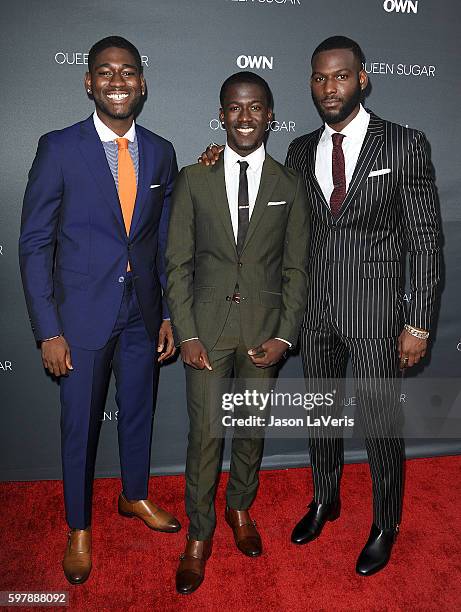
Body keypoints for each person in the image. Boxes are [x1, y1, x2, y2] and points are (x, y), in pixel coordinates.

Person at [199, 36, 440, 576]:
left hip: (378, 315)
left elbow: (425, 239)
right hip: (314, 314)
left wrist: (419, 322)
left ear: (363, 78)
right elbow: (272, 210)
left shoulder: (405, 143)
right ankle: (325, 500)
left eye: (340, 76)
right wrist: (215, 161)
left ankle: (384, 523)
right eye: (319, 78)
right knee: (323, 418)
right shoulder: (301, 150)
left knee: (380, 425)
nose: (329, 87)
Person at [19, 36, 180, 585]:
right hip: (81, 318)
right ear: (88, 82)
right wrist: (48, 330)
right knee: (79, 428)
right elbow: (35, 243)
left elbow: (160, 243)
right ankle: (78, 527)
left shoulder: (161, 151)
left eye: (128, 71)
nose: (118, 80)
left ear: (142, 82)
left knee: (139, 412)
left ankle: (134, 495)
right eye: (106, 72)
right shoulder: (59, 148)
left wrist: (166, 315)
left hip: (142, 313)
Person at [166, 72, 310, 594]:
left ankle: (240, 509)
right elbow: (177, 264)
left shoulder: (289, 185)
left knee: (250, 432)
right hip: (206, 333)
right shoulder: (193, 178)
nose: (244, 117)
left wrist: (286, 335)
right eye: (234, 108)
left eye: (255, 108)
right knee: (205, 436)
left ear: (270, 116)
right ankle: (199, 535)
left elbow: (296, 269)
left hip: (263, 334)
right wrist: (186, 334)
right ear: (221, 115)